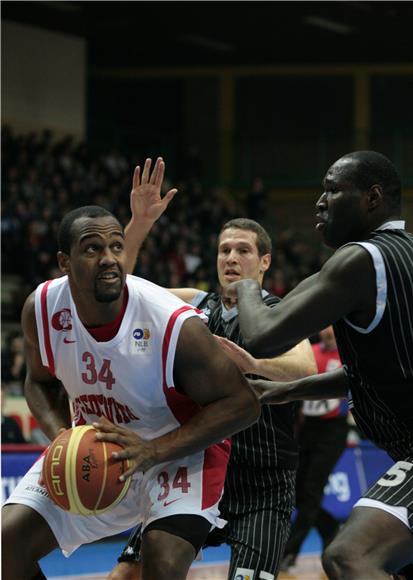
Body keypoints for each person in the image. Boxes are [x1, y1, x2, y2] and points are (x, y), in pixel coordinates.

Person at [1, 157, 261, 580]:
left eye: (117, 247)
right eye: (92, 249)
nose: (109, 259)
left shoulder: (171, 322)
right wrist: (61, 437)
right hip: (98, 453)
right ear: (65, 262)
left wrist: (153, 451)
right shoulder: (43, 308)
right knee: (6, 544)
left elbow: (243, 405)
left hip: (178, 455)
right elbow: (39, 381)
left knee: (158, 566)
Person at [108, 170, 317, 580]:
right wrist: (140, 224)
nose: (231, 258)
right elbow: (123, 287)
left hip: (263, 483)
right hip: (195, 470)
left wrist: (254, 365)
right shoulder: (194, 305)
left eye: (243, 250)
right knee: (126, 575)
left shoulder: (280, 312)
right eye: (224, 250)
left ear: (264, 262)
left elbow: (305, 368)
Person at [225, 151, 413, 578]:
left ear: (372, 198)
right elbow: (374, 373)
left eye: (332, 189)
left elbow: (263, 336)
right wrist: (286, 390)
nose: (320, 201)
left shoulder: (361, 260)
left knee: (350, 556)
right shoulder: (403, 254)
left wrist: (248, 285)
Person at [280, 325, 348, 571]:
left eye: (331, 331)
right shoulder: (311, 352)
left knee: (310, 490)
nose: (326, 335)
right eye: (324, 331)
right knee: (297, 490)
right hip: (307, 429)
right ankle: (329, 527)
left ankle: (289, 553)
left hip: (332, 432)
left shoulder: (345, 357)